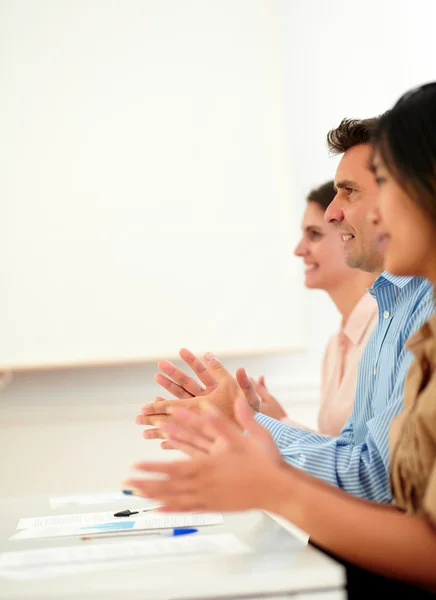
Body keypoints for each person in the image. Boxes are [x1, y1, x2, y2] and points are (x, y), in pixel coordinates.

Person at [126, 82, 436, 595]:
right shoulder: (392, 310)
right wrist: (254, 432)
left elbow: (378, 483)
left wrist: (256, 440)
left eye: (374, 185)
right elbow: (372, 464)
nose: (339, 214)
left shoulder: (415, 311)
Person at [257, 180, 377, 436]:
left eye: (314, 234)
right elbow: (341, 452)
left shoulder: (387, 330)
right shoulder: (335, 347)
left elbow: (370, 465)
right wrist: (273, 422)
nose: (299, 250)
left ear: (349, 235)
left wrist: (279, 424)